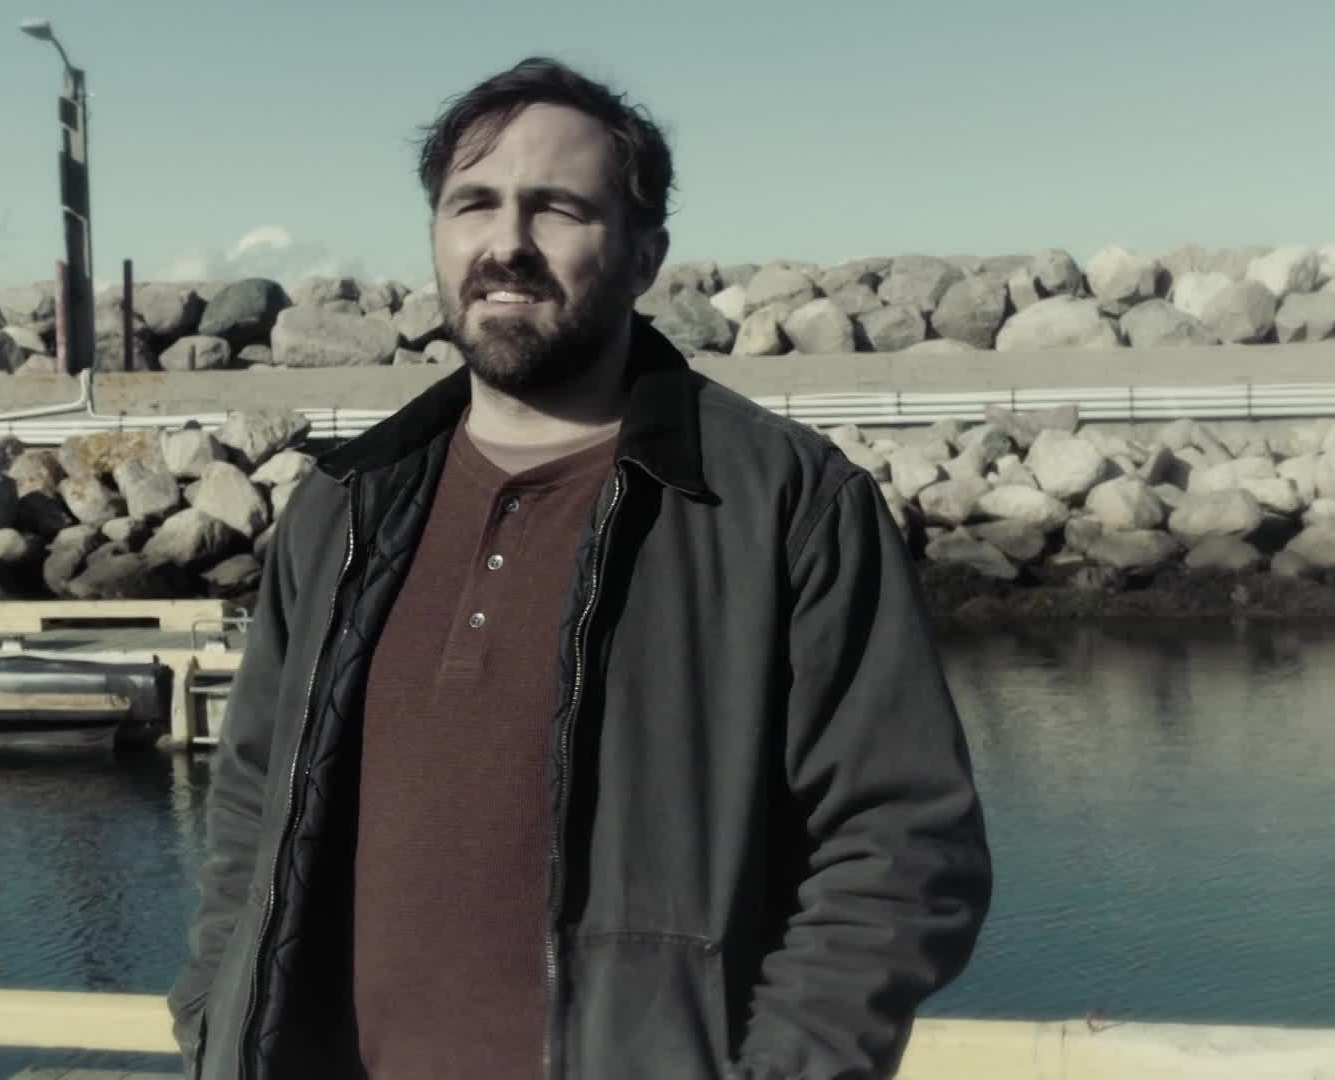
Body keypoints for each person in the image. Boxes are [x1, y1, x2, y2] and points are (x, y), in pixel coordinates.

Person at [168, 56, 993, 1080]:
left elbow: (902, 847)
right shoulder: (339, 506)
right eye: (473, 203)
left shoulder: (787, 506)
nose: (506, 243)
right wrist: (214, 1017)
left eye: (557, 207)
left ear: (645, 255)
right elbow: (251, 805)